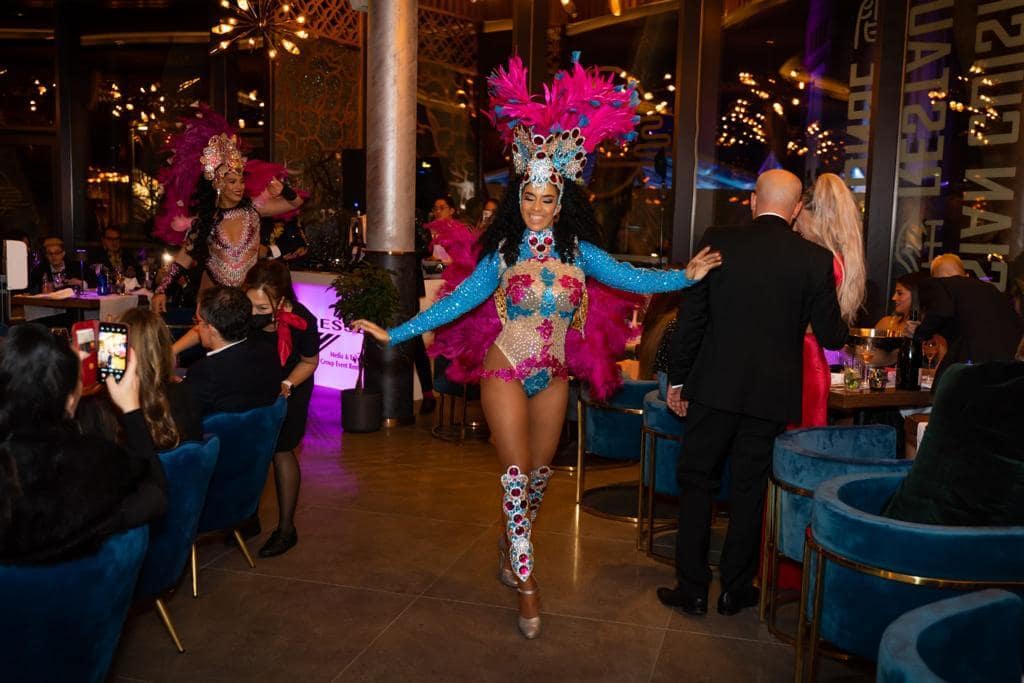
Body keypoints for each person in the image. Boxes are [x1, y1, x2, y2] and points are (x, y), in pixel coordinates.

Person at [354, 54, 722, 639]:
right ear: (518, 197)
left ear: (562, 202)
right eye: (529, 195)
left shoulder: (580, 253)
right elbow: (457, 302)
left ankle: (511, 544)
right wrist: (395, 332)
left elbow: (632, 276)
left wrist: (685, 275)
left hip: (552, 373)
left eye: (548, 198)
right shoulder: (503, 254)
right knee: (514, 476)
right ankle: (528, 586)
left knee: (538, 478)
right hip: (505, 365)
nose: (537, 207)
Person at [657, 169, 847, 617]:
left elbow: (692, 318)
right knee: (749, 489)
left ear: (752, 200)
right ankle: (736, 589)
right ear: (796, 208)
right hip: (771, 394)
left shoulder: (718, 240)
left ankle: (692, 587)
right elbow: (832, 336)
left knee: (697, 481)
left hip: (714, 386)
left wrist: (678, 379)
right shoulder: (815, 259)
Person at [0, 323, 167, 563]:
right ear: (70, 399)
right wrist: (131, 410)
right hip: (83, 587)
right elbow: (156, 495)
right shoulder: (96, 466)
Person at [151, 106, 304, 314]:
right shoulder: (206, 221)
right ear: (218, 185)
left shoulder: (253, 210)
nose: (239, 187)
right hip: (215, 302)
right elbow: (183, 258)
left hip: (248, 301)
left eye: (241, 181)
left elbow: (296, 203)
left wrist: (284, 190)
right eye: (232, 181)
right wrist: (162, 289)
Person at [242, 260, 320, 558]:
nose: (254, 313)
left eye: (262, 308)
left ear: (282, 299)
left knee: (281, 450)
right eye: (250, 305)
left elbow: (310, 362)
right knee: (252, 451)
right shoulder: (244, 313)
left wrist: (287, 384)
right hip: (254, 385)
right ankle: (247, 518)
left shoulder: (302, 319)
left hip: (292, 387)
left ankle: (286, 529)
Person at [791, 173, 866, 428]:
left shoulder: (818, 262)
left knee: (797, 440)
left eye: (798, 217)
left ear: (813, 216)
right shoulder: (837, 259)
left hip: (801, 358)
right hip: (811, 357)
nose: (794, 225)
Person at [915, 254, 1024, 385]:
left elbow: (940, 313)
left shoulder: (941, 285)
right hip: (1009, 369)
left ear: (935, 279)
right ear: (966, 275)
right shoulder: (990, 289)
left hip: (971, 369)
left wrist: (919, 333)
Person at [183, 285, 281, 416]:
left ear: (212, 329)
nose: (196, 328)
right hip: (263, 427)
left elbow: (186, 419)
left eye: (198, 321)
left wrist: (180, 389)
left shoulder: (204, 371)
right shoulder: (269, 352)